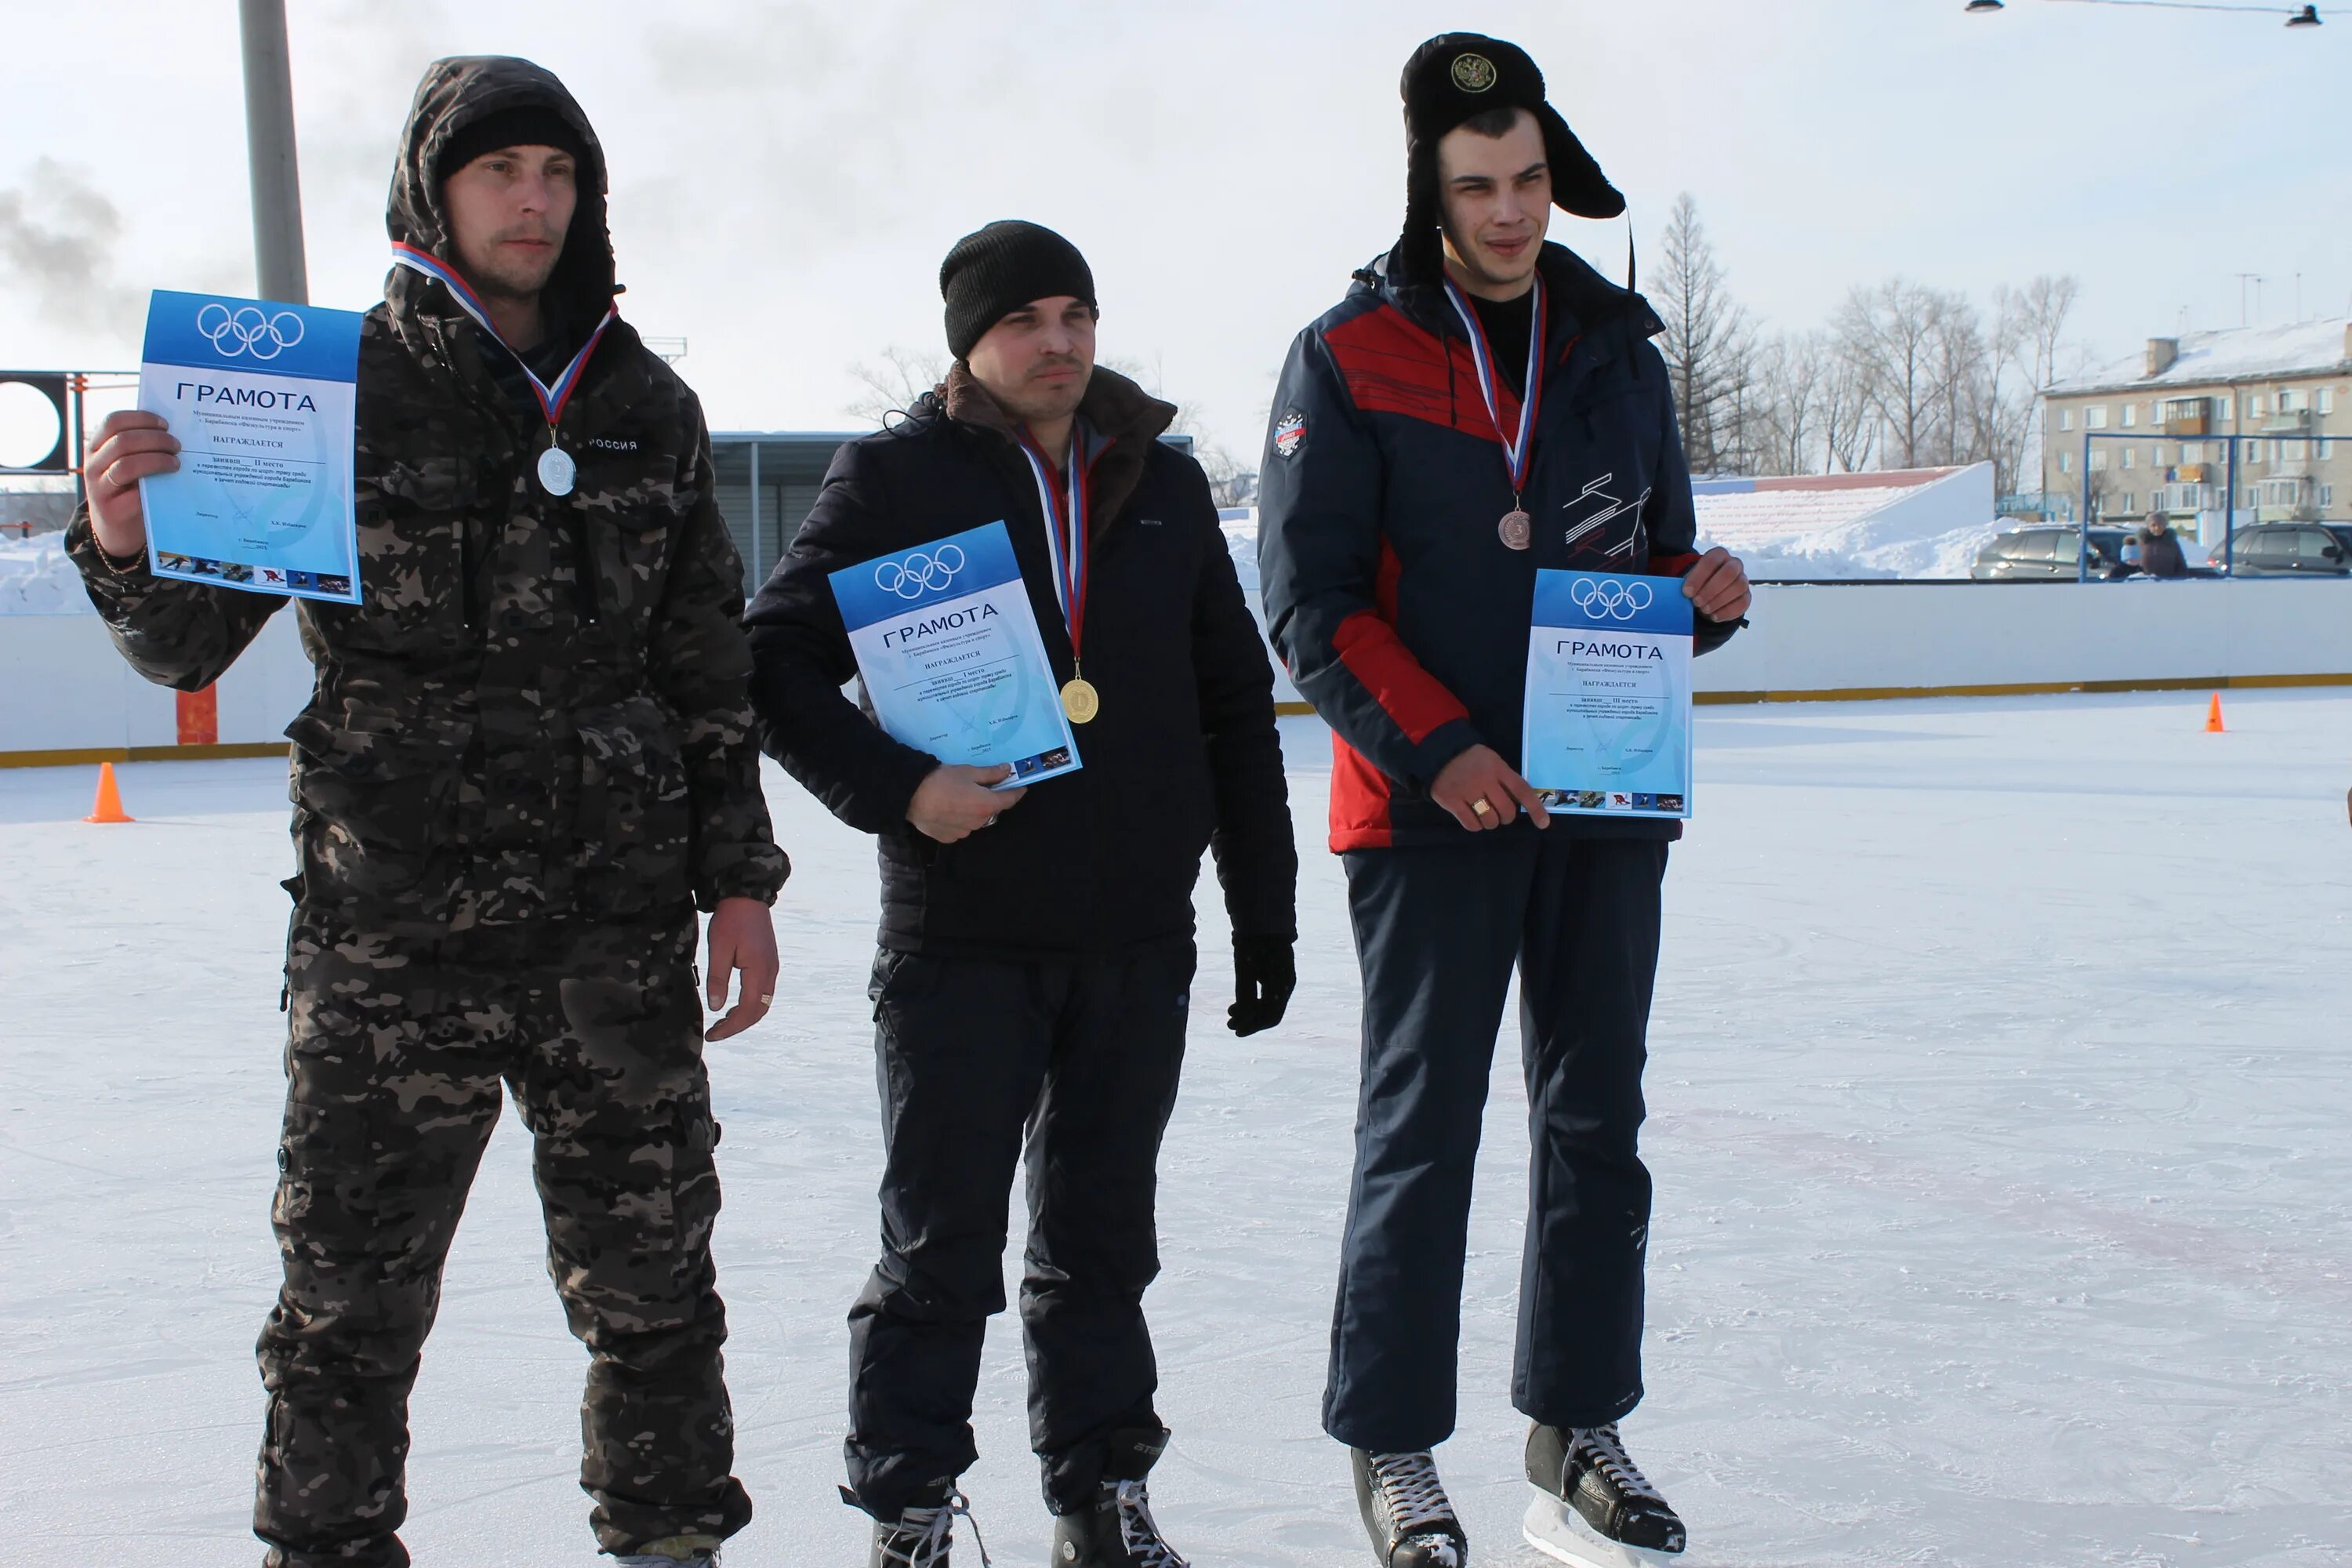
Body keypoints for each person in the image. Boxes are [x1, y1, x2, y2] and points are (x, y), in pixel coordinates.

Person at [69, 56, 785, 1568]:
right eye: (498, 171)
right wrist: (124, 537)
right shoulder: (322, 394)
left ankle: (670, 1547)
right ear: (432, 196)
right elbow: (185, 648)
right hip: (394, 949)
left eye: (558, 173)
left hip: (614, 938)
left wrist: (742, 882)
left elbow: (705, 661)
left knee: (655, 1292)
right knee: (347, 1306)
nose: (533, 200)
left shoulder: (645, 402)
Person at [1256, 34, 1753, 1568]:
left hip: (1604, 801)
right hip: (1427, 811)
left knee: (1599, 1116)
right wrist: (1445, 746)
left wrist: (1704, 599)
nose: (1509, 209)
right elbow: (1311, 599)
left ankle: (1579, 1428)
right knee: (1424, 1127)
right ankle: (1395, 1447)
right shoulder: (1352, 353)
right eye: (1476, 184)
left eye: (1530, 179)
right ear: (1430, 190)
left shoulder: (1618, 351)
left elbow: (1642, 566)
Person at [742, 220, 1297, 1568]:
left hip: (1131, 938)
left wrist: (1261, 907)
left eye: (1077, 314)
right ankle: (911, 1508)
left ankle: (1101, 1493)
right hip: (965, 940)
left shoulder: (1159, 482)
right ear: (971, 346)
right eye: (1025, 320)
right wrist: (898, 787)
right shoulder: (893, 478)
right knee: (940, 1252)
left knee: (1103, 1243)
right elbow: (769, 662)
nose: (1058, 342)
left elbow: (1233, 703)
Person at [2138, 510, 2188, 578]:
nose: (2157, 528)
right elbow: (2132, 565)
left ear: (2165, 526)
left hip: (2168, 583)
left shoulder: (2172, 543)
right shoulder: (2142, 543)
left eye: (2160, 525)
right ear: (2148, 527)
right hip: (2145, 584)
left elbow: (2181, 566)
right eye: (2153, 525)